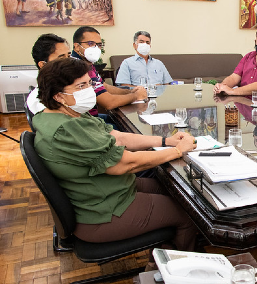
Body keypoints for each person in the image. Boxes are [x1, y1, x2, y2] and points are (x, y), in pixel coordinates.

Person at [33, 57, 198, 261]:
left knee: (176, 192)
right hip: (103, 212)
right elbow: (125, 164)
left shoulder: (66, 114)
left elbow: (118, 137)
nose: (90, 90)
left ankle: (162, 254)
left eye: (89, 83)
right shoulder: (67, 129)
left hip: (107, 192)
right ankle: (182, 277)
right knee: (190, 214)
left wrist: (167, 141)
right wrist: (177, 151)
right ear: (59, 96)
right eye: (81, 86)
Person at [71, 26, 147, 118]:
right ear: (77, 46)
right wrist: (135, 96)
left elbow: (104, 86)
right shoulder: (76, 67)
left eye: (98, 45)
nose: (95, 48)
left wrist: (129, 92)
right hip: (84, 121)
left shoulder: (87, 63)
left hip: (92, 117)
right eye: (90, 43)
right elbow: (109, 103)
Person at [27, 33, 72, 115]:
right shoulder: (40, 101)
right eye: (61, 59)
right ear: (43, 65)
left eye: (69, 56)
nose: (69, 62)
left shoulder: (64, 86)